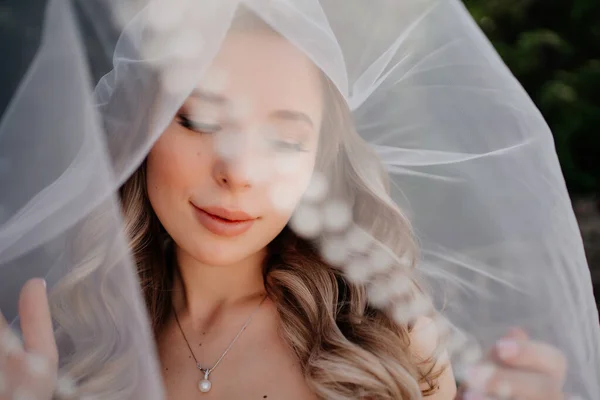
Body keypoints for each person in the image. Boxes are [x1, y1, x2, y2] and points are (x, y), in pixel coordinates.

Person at [0, 7, 573, 400]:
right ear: (140, 133)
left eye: (284, 140)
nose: (241, 174)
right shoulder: (70, 342)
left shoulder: (390, 340)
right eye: (201, 121)